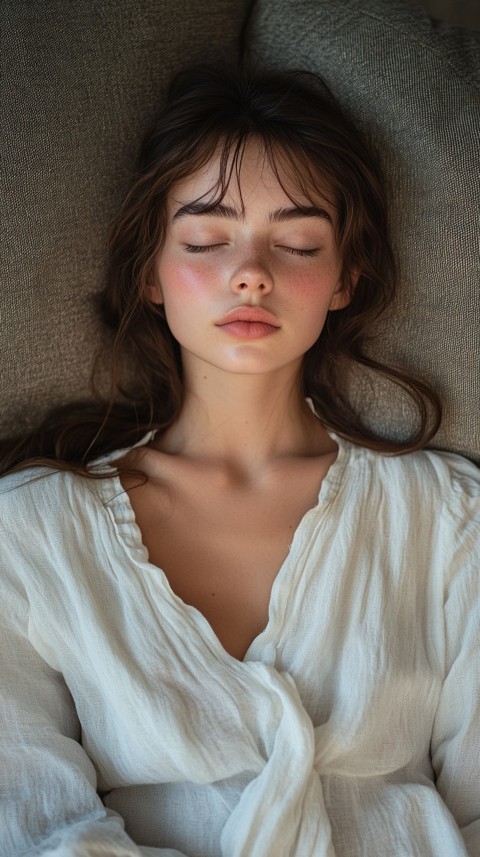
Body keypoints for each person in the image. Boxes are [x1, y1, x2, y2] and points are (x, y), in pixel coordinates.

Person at [0, 64, 478, 857]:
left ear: (344, 280)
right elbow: (29, 819)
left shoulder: (446, 517)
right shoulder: (29, 532)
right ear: (151, 272)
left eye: (296, 242)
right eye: (206, 238)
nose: (251, 272)